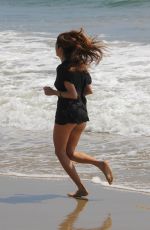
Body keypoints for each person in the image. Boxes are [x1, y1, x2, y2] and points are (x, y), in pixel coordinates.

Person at [43, 28, 113, 198]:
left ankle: (81, 188)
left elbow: (72, 94)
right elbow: (88, 91)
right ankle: (100, 163)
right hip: (82, 114)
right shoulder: (82, 67)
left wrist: (53, 92)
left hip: (67, 114)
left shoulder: (63, 68)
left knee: (60, 152)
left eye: (56, 45)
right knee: (70, 153)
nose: (55, 48)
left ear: (60, 49)